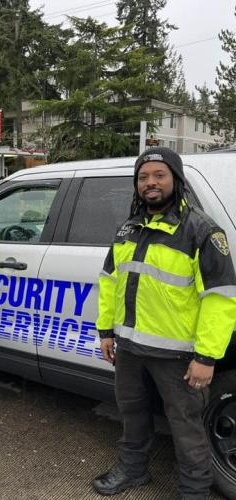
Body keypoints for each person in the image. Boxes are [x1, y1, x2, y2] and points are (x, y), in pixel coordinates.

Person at [93, 147, 236, 499]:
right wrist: (106, 330)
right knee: (133, 413)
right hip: (130, 348)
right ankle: (134, 469)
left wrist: (206, 357)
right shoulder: (128, 228)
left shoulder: (201, 231)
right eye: (143, 177)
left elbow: (221, 298)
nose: (150, 183)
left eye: (159, 175)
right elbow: (110, 281)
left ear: (175, 179)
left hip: (178, 357)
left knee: (187, 429)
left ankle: (194, 492)